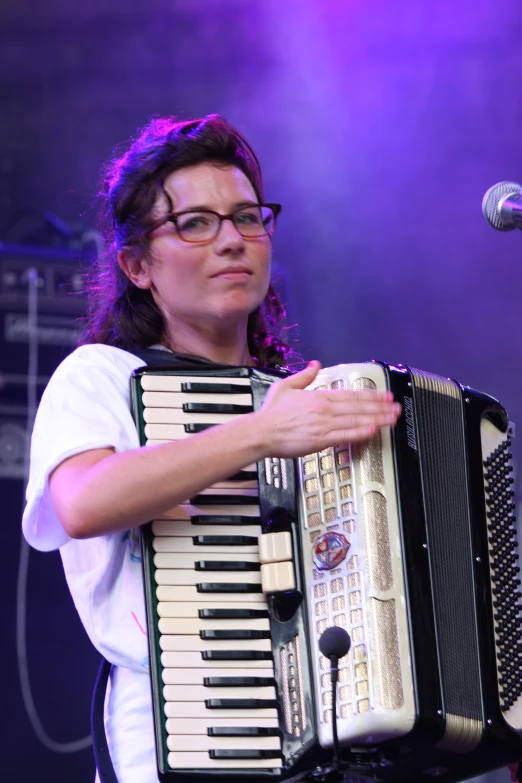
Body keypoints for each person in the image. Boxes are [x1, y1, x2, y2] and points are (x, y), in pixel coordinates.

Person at [22, 114, 401, 783]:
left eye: (247, 217)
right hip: (184, 732)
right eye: (196, 222)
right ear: (137, 265)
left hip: (326, 736)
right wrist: (259, 434)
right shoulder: (101, 377)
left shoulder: (296, 396)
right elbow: (81, 503)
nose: (232, 239)